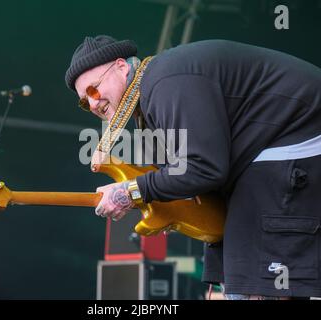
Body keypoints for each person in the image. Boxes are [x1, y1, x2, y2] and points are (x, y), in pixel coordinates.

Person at [65, 35, 321, 299]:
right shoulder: (152, 96)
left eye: (94, 90)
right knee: (236, 267)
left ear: (121, 66)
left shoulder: (166, 81)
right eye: (85, 102)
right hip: (273, 151)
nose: (93, 104)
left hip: (302, 137)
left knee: (254, 278)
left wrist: (131, 192)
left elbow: (203, 167)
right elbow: (190, 175)